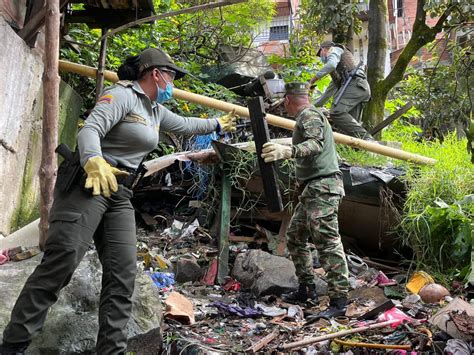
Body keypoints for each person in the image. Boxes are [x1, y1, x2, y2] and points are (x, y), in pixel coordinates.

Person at [0, 47, 237, 355]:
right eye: (172, 76)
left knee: (122, 274)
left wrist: (217, 124)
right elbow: (91, 130)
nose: (173, 83)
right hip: (89, 185)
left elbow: (185, 124)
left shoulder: (154, 109)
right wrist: (94, 160)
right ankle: (12, 347)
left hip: (121, 192)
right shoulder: (122, 95)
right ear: (156, 74)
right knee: (62, 261)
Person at [261, 82, 350, 318]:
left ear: (289, 100)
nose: (284, 108)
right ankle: (307, 288)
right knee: (295, 236)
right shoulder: (309, 116)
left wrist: (288, 152)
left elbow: (315, 144)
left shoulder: (309, 114)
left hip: (323, 187)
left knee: (328, 243)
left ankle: (339, 302)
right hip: (313, 188)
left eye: (284, 104)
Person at [309, 41, 374, 140]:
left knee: (336, 112)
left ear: (325, 49)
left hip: (354, 85)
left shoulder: (336, 49)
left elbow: (330, 65)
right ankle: (362, 149)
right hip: (360, 88)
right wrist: (311, 106)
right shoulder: (339, 72)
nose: (321, 58)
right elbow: (327, 94)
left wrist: (311, 81)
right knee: (350, 129)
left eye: (321, 53)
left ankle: (368, 139)